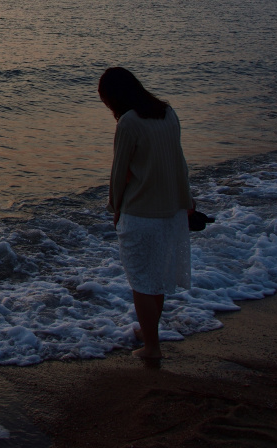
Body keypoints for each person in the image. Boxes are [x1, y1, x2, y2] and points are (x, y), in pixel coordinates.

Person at [98, 67, 194, 363]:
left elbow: (118, 172)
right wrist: (187, 201)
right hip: (171, 211)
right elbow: (179, 161)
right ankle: (148, 332)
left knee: (141, 282)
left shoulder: (129, 123)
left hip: (140, 213)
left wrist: (114, 207)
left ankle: (152, 348)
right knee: (156, 279)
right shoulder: (167, 113)